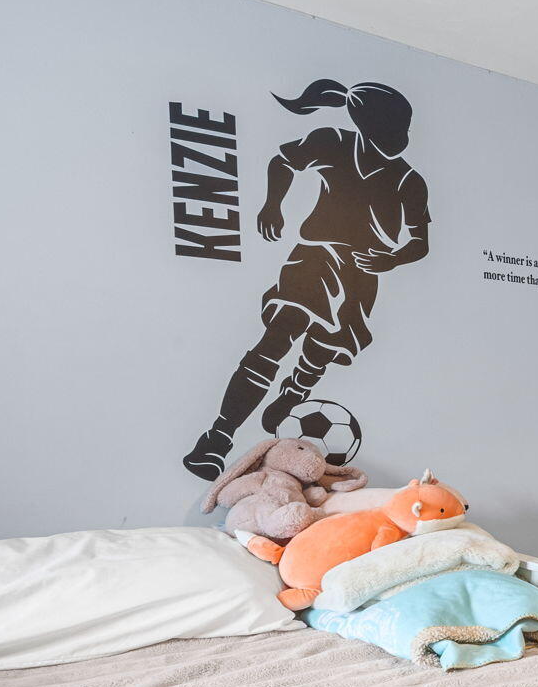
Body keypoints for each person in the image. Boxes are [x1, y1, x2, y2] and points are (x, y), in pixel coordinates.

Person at [183, 80, 431, 480]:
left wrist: (392, 258)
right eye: (389, 131)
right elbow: (283, 162)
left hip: (361, 274)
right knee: (278, 337)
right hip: (313, 257)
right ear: (365, 126)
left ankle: (295, 393)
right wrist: (272, 204)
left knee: (324, 348)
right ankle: (218, 438)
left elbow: (420, 241)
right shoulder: (332, 141)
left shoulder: (407, 181)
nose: (398, 140)